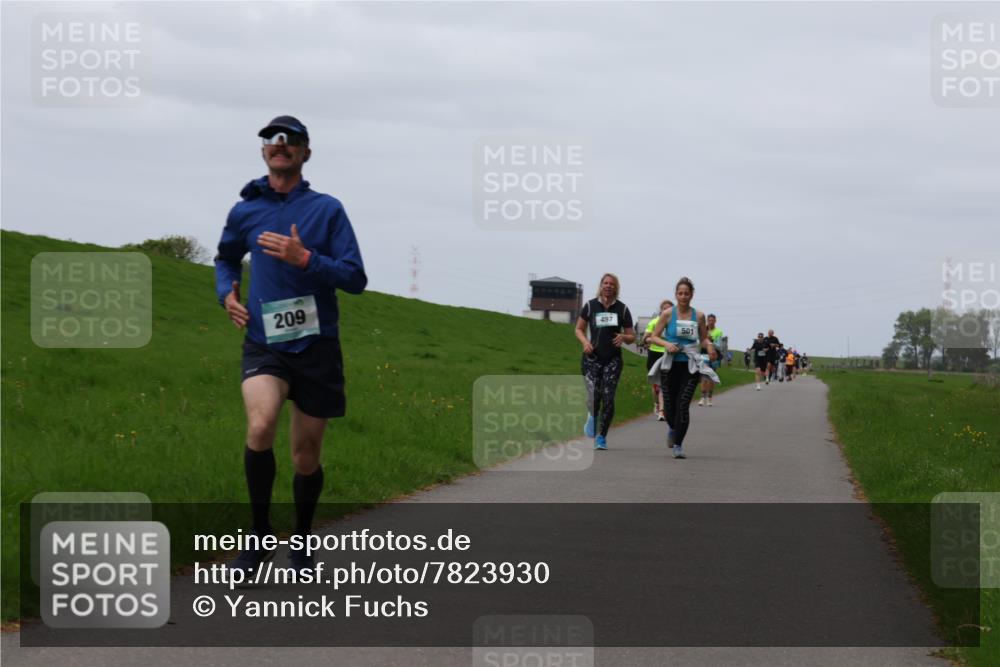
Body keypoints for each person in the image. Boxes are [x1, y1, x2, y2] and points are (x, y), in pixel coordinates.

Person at [215, 115, 367, 573]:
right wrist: (227, 293)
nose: (280, 145)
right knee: (260, 427)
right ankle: (259, 537)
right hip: (266, 343)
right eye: (271, 139)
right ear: (263, 151)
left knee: (305, 457)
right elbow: (225, 258)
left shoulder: (327, 209)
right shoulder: (245, 211)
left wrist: (306, 259)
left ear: (305, 152)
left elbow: (355, 278)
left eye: (291, 140)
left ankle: (301, 539)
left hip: (316, 344)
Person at [648, 277, 717, 459]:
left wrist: (709, 346)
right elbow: (653, 337)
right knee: (669, 407)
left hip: (690, 364)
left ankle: (678, 444)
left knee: (683, 404)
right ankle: (672, 427)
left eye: (687, 293)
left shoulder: (699, 316)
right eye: (680, 293)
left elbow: (703, 338)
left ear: (692, 295)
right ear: (676, 295)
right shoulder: (668, 314)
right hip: (670, 364)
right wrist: (666, 344)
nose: (683, 296)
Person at [575, 273, 635, 450]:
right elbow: (578, 328)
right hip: (592, 358)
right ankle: (592, 417)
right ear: (601, 286)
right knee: (594, 396)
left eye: (611, 284)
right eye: (605, 283)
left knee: (608, 398)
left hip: (613, 359)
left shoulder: (622, 309)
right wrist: (585, 342)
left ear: (616, 288)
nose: (608, 286)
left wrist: (624, 337)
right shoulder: (590, 306)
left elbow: (632, 336)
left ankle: (601, 436)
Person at [642, 300, 673, 420]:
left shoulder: (673, 324)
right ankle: (656, 403)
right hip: (654, 354)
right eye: (664, 309)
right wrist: (652, 340)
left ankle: (662, 411)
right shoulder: (654, 322)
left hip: (668, 354)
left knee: (664, 384)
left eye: (669, 309)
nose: (666, 311)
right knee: (655, 385)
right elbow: (646, 338)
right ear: (661, 310)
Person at [698, 313, 724, 406]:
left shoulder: (718, 332)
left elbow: (719, 346)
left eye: (712, 320)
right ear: (707, 321)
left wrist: (711, 340)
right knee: (704, 377)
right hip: (704, 354)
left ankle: (709, 398)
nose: (711, 322)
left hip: (715, 355)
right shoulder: (703, 330)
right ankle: (702, 397)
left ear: (715, 321)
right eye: (709, 320)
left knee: (711, 377)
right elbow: (700, 342)